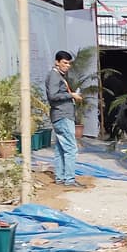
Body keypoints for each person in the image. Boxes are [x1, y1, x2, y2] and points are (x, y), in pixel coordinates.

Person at [44, 50, 82, 187]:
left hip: (61, 115)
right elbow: (53, 96)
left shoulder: (59, 76)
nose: (67, 66)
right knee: (71, 148)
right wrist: (71, 95)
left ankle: (60, 178)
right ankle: (69, 179)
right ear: (57, 62)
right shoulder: (54, 76)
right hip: (62, 115)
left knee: (61, 149)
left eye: (69, 63)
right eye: (65, 63)